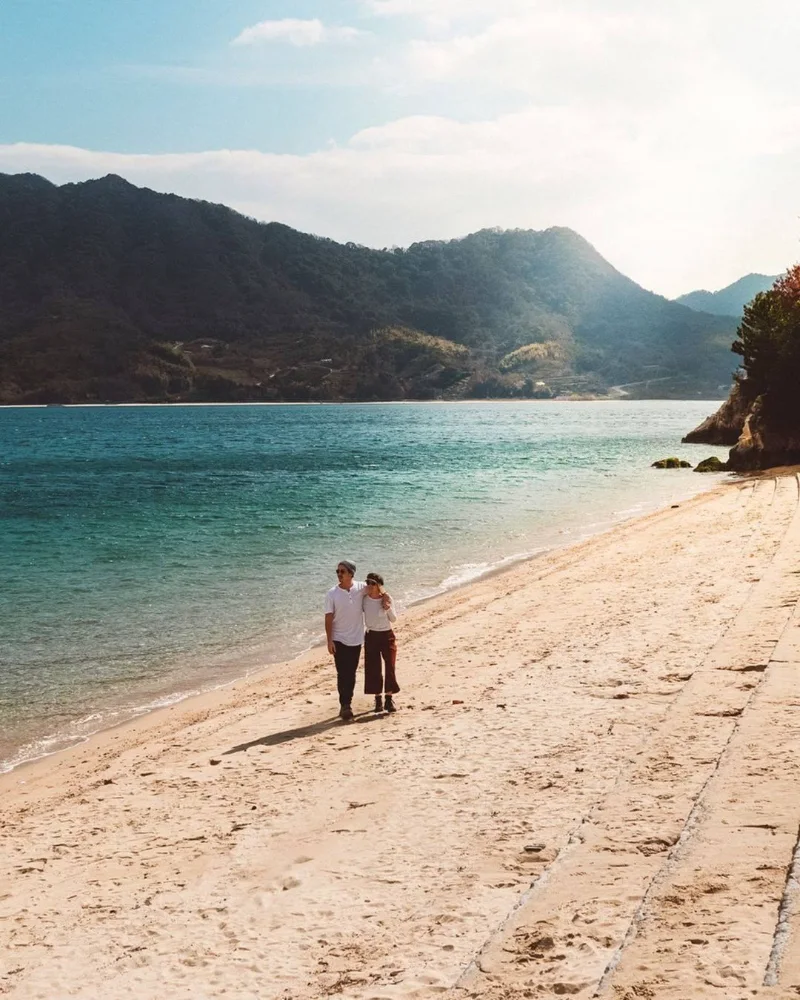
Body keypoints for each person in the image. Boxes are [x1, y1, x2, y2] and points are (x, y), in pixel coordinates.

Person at [324, 560, 391, 721]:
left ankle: (348, 702)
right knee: (342, 673)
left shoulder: (361, 588)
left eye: (343, 571)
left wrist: (387, 598)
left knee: (352, 673)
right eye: (338, 572)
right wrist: (329, 640)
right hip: (338, 638)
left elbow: (378, 590)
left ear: (351, 574)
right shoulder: (331, 593)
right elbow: (328, 617)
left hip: (356, 639)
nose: (339, 574)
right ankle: (345, 705)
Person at [363, 572, 400, 713]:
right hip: (371, 635)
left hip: (386, 635)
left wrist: (387, 607)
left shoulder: (387, 598)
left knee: (390, 665)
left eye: (372, 583)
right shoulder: (364, 599)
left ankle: (389, 699)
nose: (369, 586)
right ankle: (378, 700)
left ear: (379, 585)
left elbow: (394, 619)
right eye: (368, 582)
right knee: (373, 668)